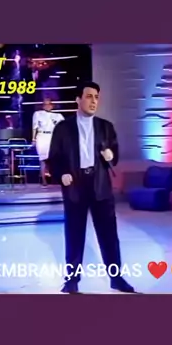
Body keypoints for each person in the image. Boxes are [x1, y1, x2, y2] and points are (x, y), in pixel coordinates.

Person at [48, 81, 135, 293]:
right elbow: (54, 158)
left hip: (100, 184)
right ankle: (72, 280)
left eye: (96, 97)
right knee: (75, 235)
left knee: (109, 235)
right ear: (78, 100)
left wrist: (110, 155)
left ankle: (116, 278)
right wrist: (62, 174)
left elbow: (114, 155)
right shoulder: (63, 128)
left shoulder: (106, 127)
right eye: (89, 96)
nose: (93, 101)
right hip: (75, 184)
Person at [32, 98, 64, 186]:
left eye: (49, 104)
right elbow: (34, 127)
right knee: (42, 159)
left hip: (53, 137)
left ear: (52, 105)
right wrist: (33, 139)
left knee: (54, 158)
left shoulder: (58, 116)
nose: (47, 106)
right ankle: (44, 180)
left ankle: (55, 178)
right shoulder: (37, 114)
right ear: (43, 106)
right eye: (45, 104)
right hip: (42, 136)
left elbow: (63, 126)